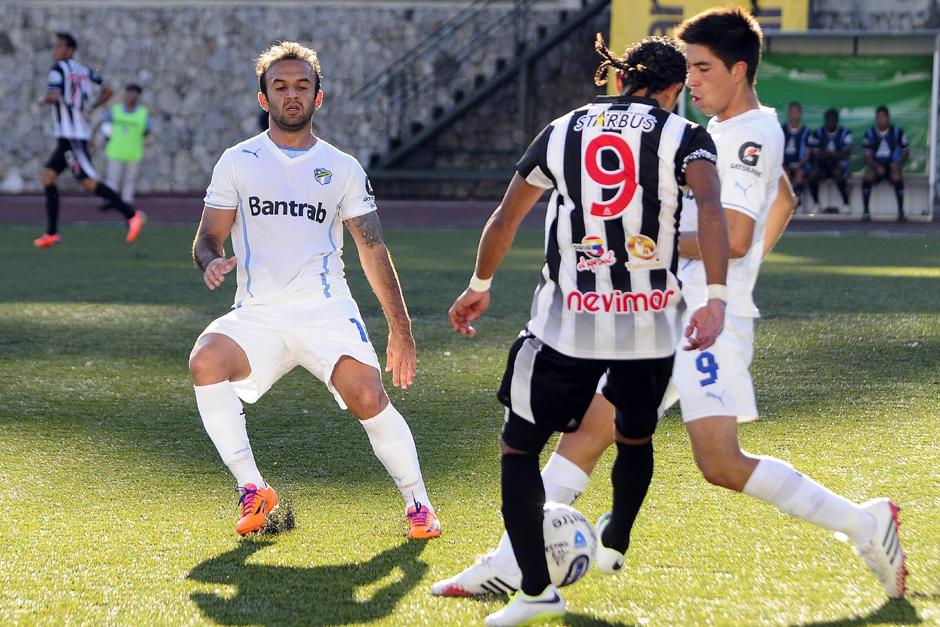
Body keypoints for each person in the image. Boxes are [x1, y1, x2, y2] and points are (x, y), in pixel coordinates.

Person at [435, 7, 907, 605]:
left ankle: (866, 524)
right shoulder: (735, 131)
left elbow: (732, 233)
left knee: (720, 461)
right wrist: (741, 270)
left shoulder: (743, 136)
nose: (695, 81)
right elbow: (780, 200)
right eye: (688, 70)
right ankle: (507, 563)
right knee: (582, 436)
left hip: (698, 324)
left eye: (704, 68)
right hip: (664, 315)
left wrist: (683, 260)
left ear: (739, 70)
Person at [446, 33, 730, 626]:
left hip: (565, 324)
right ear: (674, 90)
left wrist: (479, 284)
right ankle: (618, 535)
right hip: (649, 325)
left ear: (621, 78)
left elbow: (507, 216)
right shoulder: (686, 136)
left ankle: (535, 590)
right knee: (634, 437)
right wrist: (718, 299)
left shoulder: (563, 128)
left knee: (519, 449)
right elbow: (710, 210)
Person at [188, 41, 441, 541]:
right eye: (280, 86)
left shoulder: (342, 168)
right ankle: (253, 489)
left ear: (318, 97)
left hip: (325, 311)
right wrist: (212, 261)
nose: (291, 95)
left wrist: (401, 329)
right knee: (205, 360)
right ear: (264, 98)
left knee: (369, 395)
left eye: (302, 86)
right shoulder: (237, 162)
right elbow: (207, 237)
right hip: (258, 313)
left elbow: (372, 249)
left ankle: (419, 503)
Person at [34, 32, 144, 248]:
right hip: (71, 137)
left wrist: (43, 98)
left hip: (72, 137)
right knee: (48, 177)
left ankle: (132, 215)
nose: (54, 51)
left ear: (69, 50)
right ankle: (51, 233)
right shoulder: (85, 71)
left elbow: (54, 95)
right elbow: (108, 90)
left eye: (58, 47)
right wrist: (91, 107)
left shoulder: (58, 70)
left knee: (89, 183)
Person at [95, 83, 151, 207]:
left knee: (129, 182)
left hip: (133, 152)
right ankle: (110, 201)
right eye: (130, 93)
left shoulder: (142, 113)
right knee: (112, 179)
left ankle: (126, 205)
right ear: (126, 95)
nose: (132, 96)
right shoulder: (116, 110)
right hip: (116, 151)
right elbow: (104, 124)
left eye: (135, 94)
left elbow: (147, 130)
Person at [861, 105, 909, 222]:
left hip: (892, 165)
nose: (881, 119)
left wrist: (897, 162)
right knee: (867, 176)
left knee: (897, 176)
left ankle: (901, 212)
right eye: (878, 117)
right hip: (876, 166)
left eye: (883, 116)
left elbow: (906, 150)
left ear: (888, 118)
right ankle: (866, 211)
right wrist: (876, 166)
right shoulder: (870, 133)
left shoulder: (897, 131)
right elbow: (866, 155)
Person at [807, 107, 853, 212]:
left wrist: (828, 153)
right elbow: (815, 154)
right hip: (822, 165)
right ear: (825, 120)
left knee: (838, 171)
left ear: (837, 120)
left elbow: (846, 154)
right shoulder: (817, 133)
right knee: (813, 174)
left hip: (838, 164)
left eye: (833, 119)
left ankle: (846, 203)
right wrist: (835, 154)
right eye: (828, 119)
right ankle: (816, 203)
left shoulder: (846, 133)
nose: (831, 122)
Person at [781, 101, 810, 207]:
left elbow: (808, 151)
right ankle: (786, 200)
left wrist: (801, 163)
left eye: (796, 111)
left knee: (800, 172)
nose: (793, 114)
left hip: (800, 163)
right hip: (785, 163)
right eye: (791, 111)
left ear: (801, 113)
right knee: (784, 173)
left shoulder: (805, 131)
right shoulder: (782, 129)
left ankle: (797, 198)